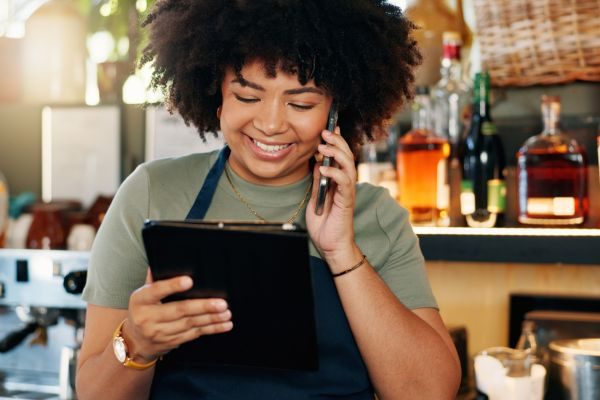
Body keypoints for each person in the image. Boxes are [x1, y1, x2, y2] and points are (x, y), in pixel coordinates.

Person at [76, 0, 461, 399]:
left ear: (335, 111)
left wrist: (342, 252)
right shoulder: (152, 191)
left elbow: (430, 393)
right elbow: (93, 394)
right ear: (216, 93)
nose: (271, 124)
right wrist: (137, 343)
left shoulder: (376, 215)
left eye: (301, 103)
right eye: (247, 96)